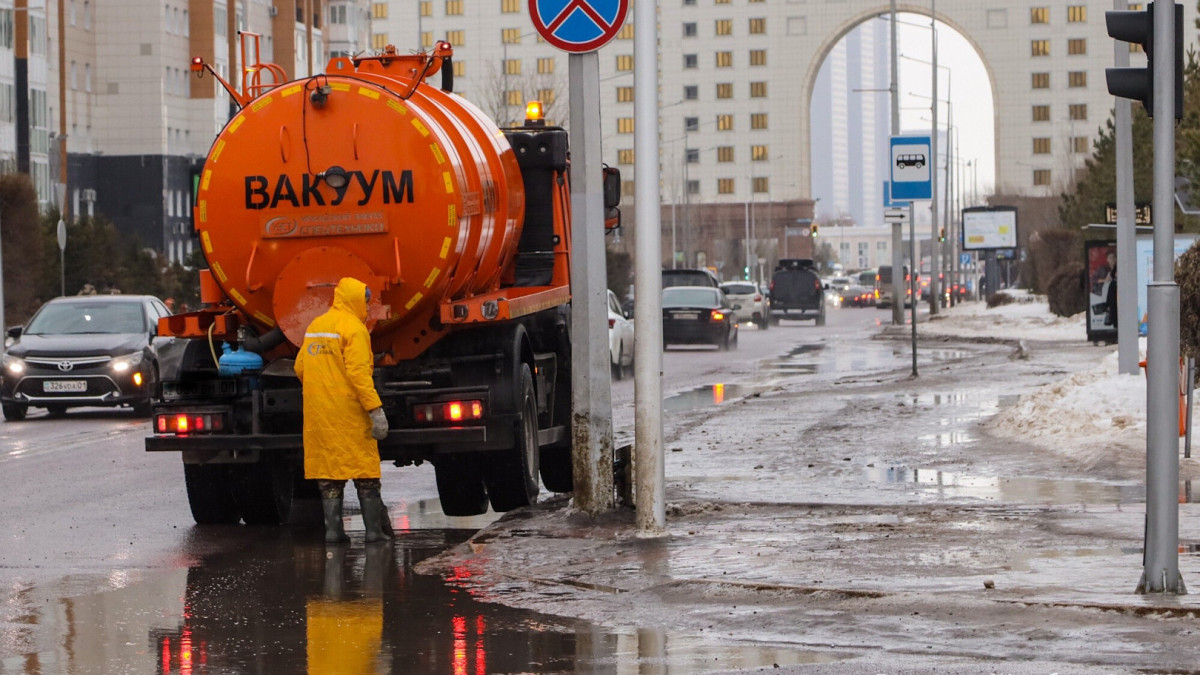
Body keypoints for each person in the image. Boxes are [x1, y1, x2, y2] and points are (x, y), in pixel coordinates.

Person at [294, 277, 392, 544]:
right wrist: (375, 409)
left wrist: (322, 388)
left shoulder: (316, 326)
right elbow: (359, 375)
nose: (367, 307)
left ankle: (333, 532)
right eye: (366, 302)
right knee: (365, 474)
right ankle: (374, 532)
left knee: (329, 475)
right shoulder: (354, 329)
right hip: (350, 413)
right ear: (355, 301)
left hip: (320, 414)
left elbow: (300, 367)